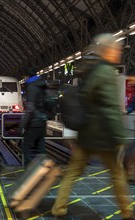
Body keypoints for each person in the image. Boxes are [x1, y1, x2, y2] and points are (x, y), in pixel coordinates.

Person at [51, 33, 134, 220]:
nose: (118, 53)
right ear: (108, 50)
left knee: (73, 172)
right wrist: (119, 136)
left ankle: (59, 208)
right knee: (117, 174)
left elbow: (85, 100)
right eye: (116, 49)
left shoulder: (89, 70)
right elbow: (110, 107)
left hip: (86, 133)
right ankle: (127, 213)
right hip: (104, 134)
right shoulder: (105, 72)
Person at [19, 70, 47, 167]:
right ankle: (44, 169)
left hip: (34, 122)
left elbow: (30, 108)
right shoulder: (41, 85)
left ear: (27, 77)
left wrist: (23, 124)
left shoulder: (31, 87)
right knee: (41, 149)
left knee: (25, 147)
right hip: (42, 120)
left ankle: (31, 170)